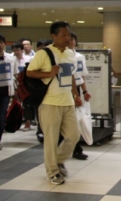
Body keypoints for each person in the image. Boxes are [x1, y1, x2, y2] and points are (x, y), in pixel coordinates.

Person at [26, 21, 82, 185]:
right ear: (54, 36)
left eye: (69, 34)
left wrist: (76, 94)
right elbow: (30, 73)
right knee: (51, 139)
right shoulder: (44, 54)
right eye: (63, 34)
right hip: (50, 102)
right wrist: (49, 73)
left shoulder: (70, 53)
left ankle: (58, 160)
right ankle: (52, 172)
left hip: (68, 102)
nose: (67, 38)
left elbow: (70, 75)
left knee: (73, 135)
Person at [68, 32, 91, 160]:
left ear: (76, 42)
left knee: (75, 119)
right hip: (65, 90)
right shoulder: (62, 56)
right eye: (68, 39)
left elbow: (82, 76)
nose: (70, 41)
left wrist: (85, 91)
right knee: (69, 120)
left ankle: (76, 149)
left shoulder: (80, 57)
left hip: (76, 89)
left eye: (72, 39)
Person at [0, 34, 18, 150]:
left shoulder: (11, 59)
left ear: (4, 44)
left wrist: (17, 91)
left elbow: (16, 75)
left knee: (1, 117)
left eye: (1, 43)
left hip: (5, 92)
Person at [11, 41, 32, 131]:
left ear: (22, 50)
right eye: (14, 50)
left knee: (27, 104)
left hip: (25, 85)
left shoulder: (28, 59)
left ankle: (28, 122)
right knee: (15, 103)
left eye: (18, 50)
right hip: (15, 85)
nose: (16, 52)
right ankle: (14, 122)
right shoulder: (11, 59)